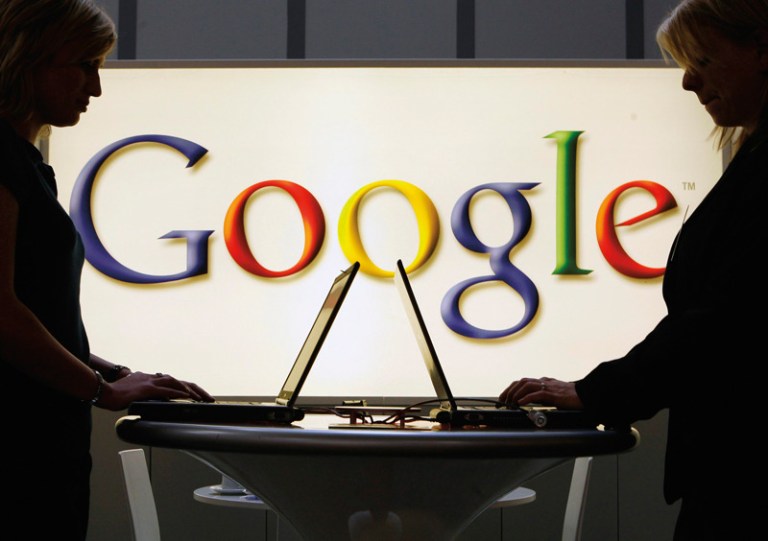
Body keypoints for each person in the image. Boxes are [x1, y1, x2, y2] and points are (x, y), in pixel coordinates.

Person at [499, 1, 767, 539]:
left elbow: (722, 322)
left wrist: (597, 392)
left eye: (704, 59)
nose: (688, 82)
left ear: (761, 49)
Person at [0, 1, 214, 539]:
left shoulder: (26, 165)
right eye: (84, 64)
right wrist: (101, 389)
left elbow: (34, 308)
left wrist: (114, 373)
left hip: (40, 440)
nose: (94, 88)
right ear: (27, 60)